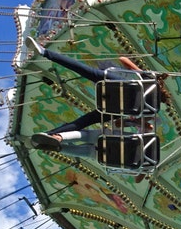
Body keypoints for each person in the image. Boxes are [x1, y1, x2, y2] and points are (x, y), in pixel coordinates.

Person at [25, 38, 162, 150]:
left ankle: (44, 52)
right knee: (84, 122)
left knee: (83, 70)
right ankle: (48, 135)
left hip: (118, 86)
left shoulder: (150, 81)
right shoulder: (149, 109)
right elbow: (120, 123)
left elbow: (123, 59)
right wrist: (135, 122)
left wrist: (141, 71)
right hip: (117, 104)